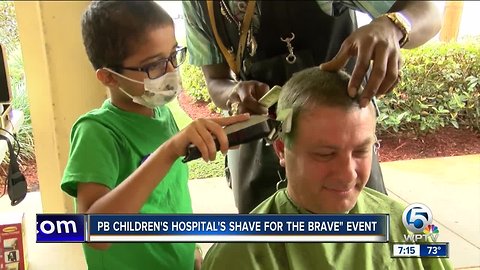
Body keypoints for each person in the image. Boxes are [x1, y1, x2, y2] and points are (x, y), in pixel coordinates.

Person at [182, 1, 442, 213]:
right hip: (262, 141)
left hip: (341, 133)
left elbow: (427, 11)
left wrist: (394, 25)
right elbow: (216, 81)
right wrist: (234, 92)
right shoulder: (199, 5)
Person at [201, 67, 453, 270]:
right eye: (325, 154)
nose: (347, 174)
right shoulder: (238, 256)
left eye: (361, 151)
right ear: (281, 150)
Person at [60, 1, 249, 269]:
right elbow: (94, 233)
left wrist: (190, 248)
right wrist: (168, 152)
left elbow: (170, 198)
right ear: (108, 77)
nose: (172, 71)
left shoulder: (162, 116)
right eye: (155, 65)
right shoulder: (96, 132)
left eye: (174, 55)